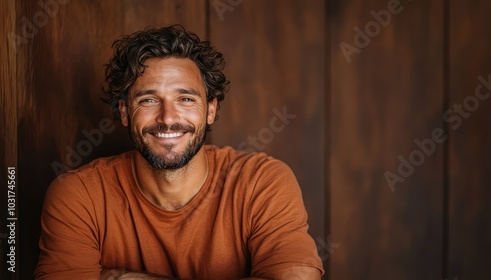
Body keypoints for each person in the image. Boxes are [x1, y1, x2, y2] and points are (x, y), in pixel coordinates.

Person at [35, 24, 323, 280]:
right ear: (124, 111)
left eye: (185, 98)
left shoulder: (262, 182)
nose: (167, 117)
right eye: (148, 99)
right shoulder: (78, 195)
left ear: (210, 109)